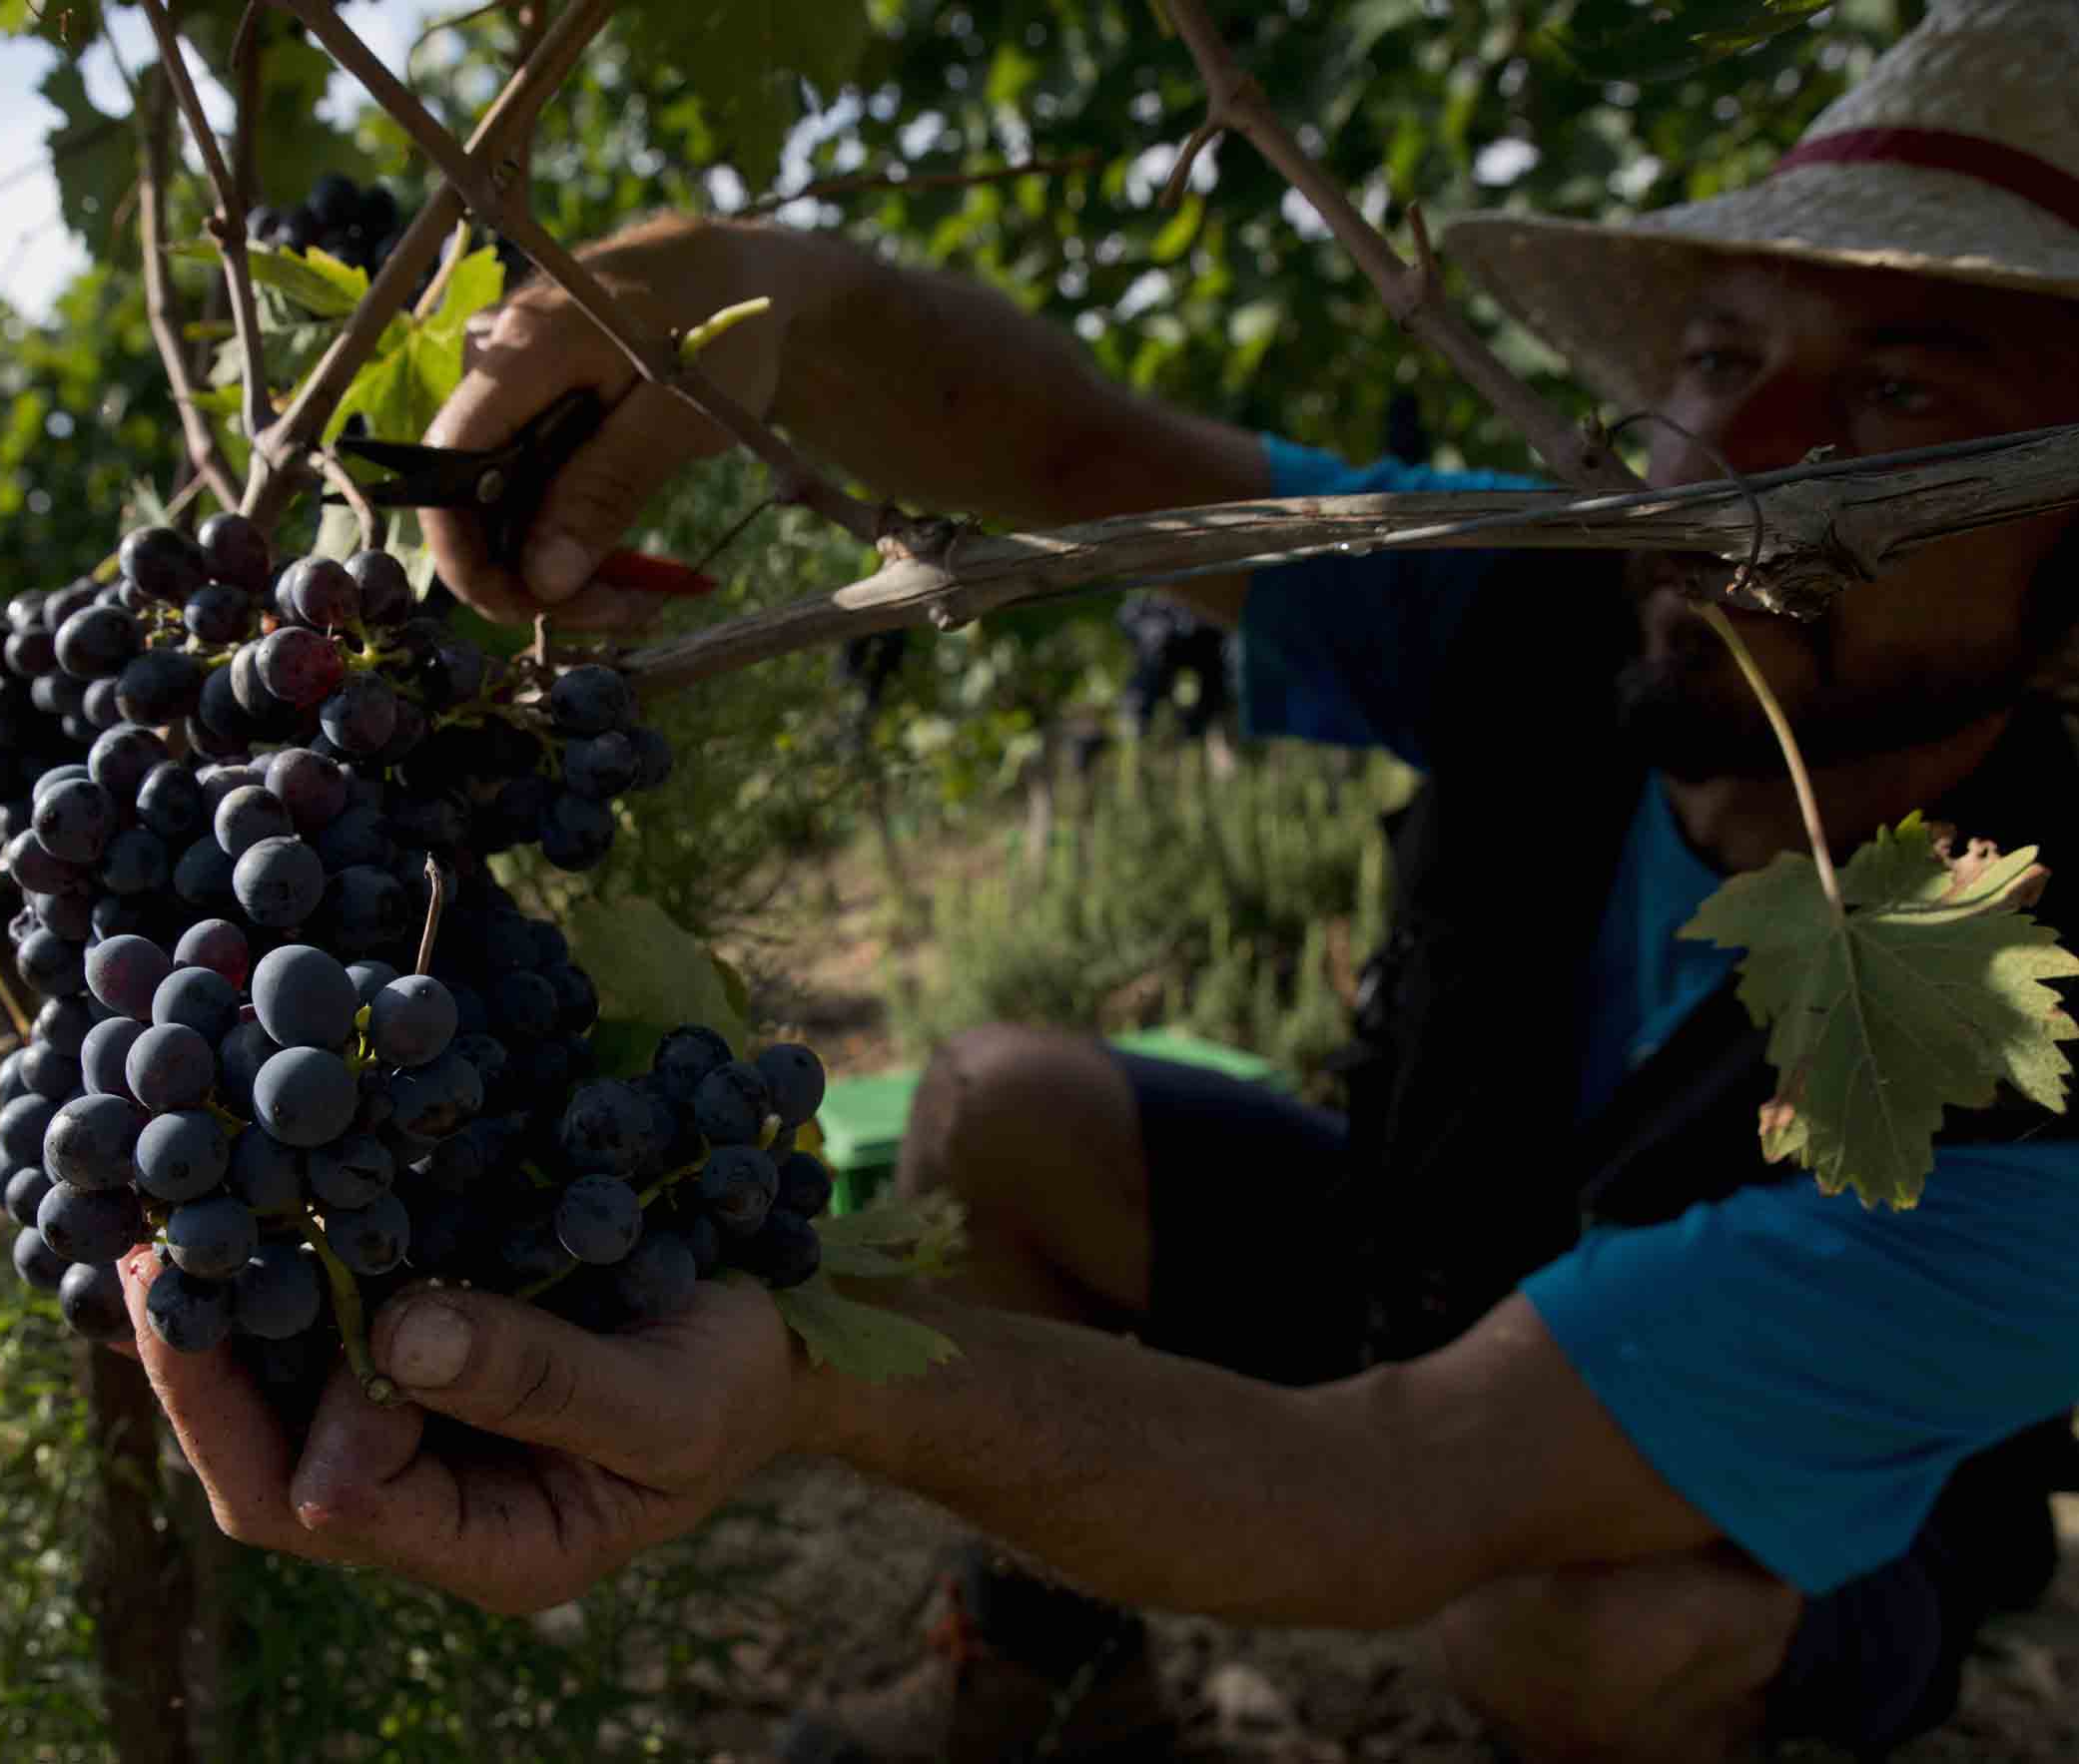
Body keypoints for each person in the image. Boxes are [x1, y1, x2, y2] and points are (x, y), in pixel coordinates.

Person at [120, 2, 2079, 1757]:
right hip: (1435, 1274)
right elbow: (1085, 460)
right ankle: (1041, 1674)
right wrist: (760, 289)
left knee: (1574, 1631)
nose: (1735, 459)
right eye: (1719, 354)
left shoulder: (2033, 1087)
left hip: (1782, 1519)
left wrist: (810, 1379)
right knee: (1003, 1110)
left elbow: (1384, 1485)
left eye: (1899, 395)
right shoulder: (1549, 600)